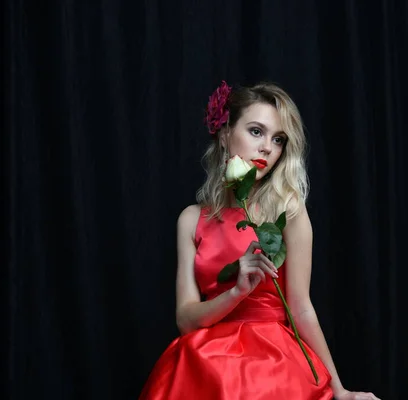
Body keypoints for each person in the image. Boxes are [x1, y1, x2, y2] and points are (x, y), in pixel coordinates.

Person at [139, 81, 380, 400]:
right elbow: (186, 320)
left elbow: (301, 308)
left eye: (278, 139)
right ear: (225, 134)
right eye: (256, 131)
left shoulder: (289, 211)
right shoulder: (191, 219)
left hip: (275, 364)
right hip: (206, 364)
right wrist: (237, 292)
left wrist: (340, 390)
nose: (268, 147)